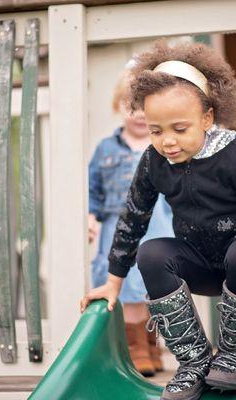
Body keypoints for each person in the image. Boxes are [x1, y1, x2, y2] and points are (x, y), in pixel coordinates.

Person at [81, 41, 236, 400]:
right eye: (156, 130)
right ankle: (194, 361)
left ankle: (234, 355)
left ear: (207, 117)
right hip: (198, 261)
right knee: (151, 253)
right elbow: (133, 218)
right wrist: (113, 283)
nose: (167, 141)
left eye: (180, 129)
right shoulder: (154, 162)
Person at [88, 70, 174, 377]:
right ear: (117, 107)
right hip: (117, 228)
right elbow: (93, 188)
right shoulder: (105, 149)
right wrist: (90, 216)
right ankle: (135, 348)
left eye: (144, 108)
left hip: (158, 225)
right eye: (130, 106)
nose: (138, 114)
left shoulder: (163, 148)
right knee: (126, 287)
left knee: (154, 290)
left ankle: (151, 344)